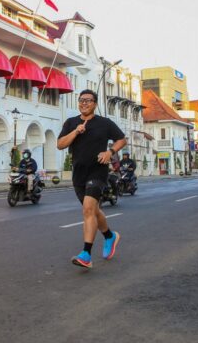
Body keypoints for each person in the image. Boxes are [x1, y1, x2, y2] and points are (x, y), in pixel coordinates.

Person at [58, 89, 127, 269]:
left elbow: (121, 140)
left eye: (88, 100)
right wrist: (75, 132)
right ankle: (109, 236)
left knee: (88, 209)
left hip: (97, 171)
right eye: (81, 100)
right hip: (78, 174)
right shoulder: (71, 122)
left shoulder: (104, 123)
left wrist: (110, 152)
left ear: (95, 104)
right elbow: (60, 144)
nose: (84, 103)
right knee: (94, 211)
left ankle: (86, 255)